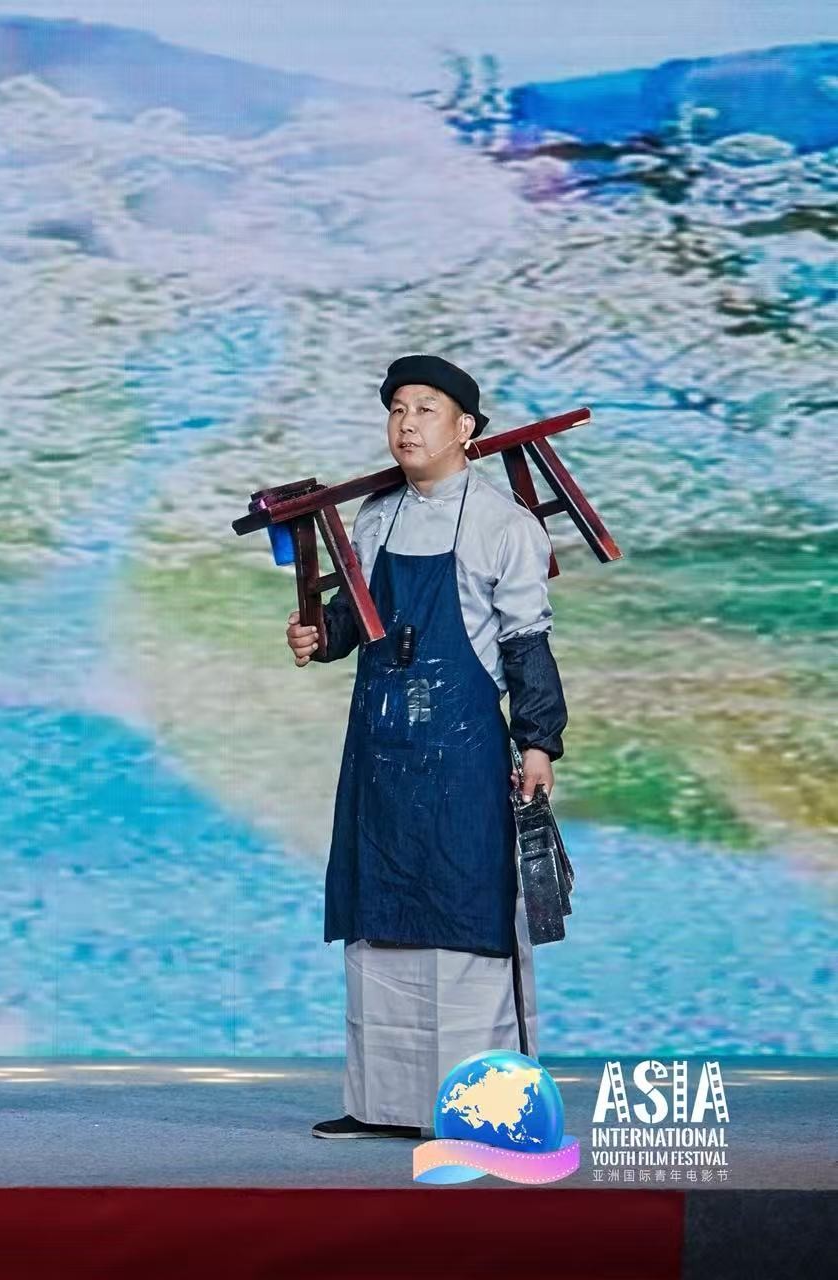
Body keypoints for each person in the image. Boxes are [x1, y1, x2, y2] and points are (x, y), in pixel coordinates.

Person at [284, 354, 568, 1139]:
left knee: (467, 918)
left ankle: (483, 1108)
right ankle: (381, 1106)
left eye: (426, 409)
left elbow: (526, 644)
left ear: (466, 428)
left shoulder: (503, 524)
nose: (406, 424)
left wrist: (538, 743)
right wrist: (319, 636)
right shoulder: (374, 517)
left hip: (464, 754)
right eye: (397, 409)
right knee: (379, 925)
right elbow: (356, 619)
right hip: (379, 755)